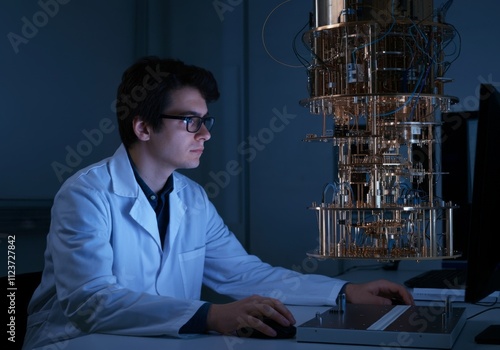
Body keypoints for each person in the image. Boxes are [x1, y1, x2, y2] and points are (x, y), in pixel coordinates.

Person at [23, 56, 413, 349]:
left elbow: (244, 273)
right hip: (75, 343)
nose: (206, 133)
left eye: (207, 120)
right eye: (191, 121)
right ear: (143, 126)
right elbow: (90, 302)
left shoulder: (191, 198)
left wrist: (344, 293)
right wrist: (211, 315)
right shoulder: (86, 194)